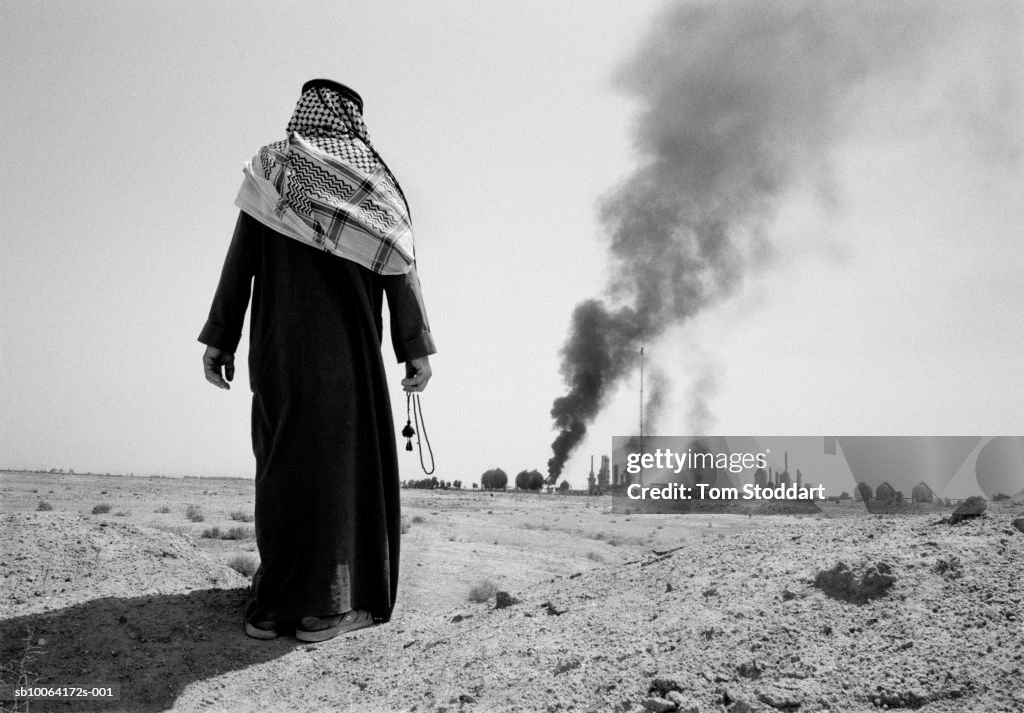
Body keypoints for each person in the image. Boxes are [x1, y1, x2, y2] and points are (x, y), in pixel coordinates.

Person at [199, 79, 435, 643]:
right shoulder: (373, 187)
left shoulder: (270, 175)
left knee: (282, 468)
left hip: (279, 354)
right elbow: (402, 270)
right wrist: (415, 348)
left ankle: (272, 608)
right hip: (347, 361)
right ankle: (326, 609)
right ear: (355, 121)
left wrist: (220, 339)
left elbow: (240, 264)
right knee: (338, 476)